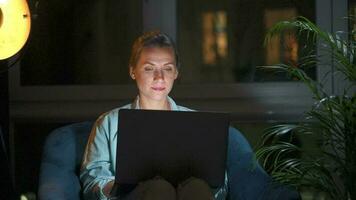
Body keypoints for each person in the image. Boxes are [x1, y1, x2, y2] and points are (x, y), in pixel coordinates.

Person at [80, 31, 300, 200]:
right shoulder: (109, 122)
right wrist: (119, 185)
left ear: (176, 72)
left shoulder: (197, 124)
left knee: (196, 187)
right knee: (159, 189)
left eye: (167, 68)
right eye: (149, 68)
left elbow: (219, 186)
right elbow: (92, 182)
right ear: (133, 71)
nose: (159, 78)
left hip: (192, 193)